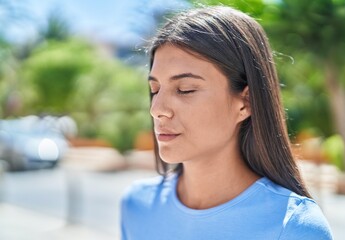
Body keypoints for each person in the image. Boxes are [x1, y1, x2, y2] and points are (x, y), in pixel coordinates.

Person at [120, 5, 333, 240]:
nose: (157, 109)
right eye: (155, 89)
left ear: (246, 103)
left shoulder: (295, 227)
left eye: (185, 90)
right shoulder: (136, 207)